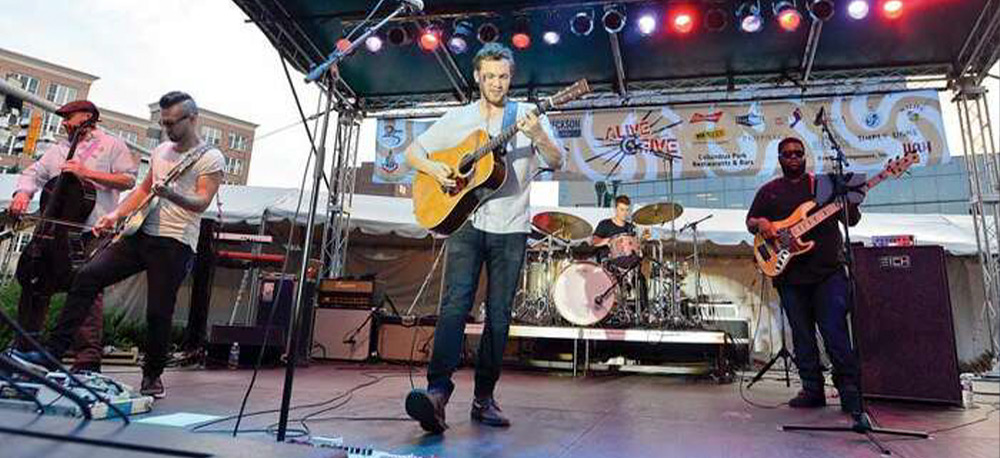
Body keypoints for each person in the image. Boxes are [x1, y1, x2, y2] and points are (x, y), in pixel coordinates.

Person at [18, 91, 225, 399]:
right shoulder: (161, 151)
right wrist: (114, 215)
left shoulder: (210, 157)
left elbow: (202, 201)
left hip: (175, 241)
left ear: (192, 118)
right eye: (163, 122)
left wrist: (173, 195)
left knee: (158, 312)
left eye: (172, 122)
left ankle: (152, 375)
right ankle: (52, 353)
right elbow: (142, 192)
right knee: (87, 276)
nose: (167, 129)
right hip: (138, 233)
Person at [403, 43, 563, 434]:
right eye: (489, 76)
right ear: (477, 77)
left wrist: (540, 135)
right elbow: (412, 152)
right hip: (466, 223)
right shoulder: (458, 118)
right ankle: (436, 394)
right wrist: (436, 170)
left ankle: (484, 398)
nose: (496, 83)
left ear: (512, 77)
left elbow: (557, 160)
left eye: (503, 76)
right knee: (455, 305)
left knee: (499, 316)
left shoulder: (527, 114)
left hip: (511, 226)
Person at [9, 100, 138, 373]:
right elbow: (33, 173)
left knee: (86, 289)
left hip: (92, 230)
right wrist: (22, 193)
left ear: (88, 117)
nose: (65, 121)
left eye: (70, 116)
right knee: (35, 283)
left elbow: (128, 179)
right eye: (63, 117)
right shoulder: (57, 150)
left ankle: (87, 361)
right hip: (52, 233)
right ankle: (25, 350)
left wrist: (86, 172)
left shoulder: (112, 144)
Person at [746, 136, 863, 414]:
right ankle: (812, 389)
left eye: (798, 152)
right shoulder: (769, 191)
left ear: (805, 156)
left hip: (827, 272)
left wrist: (847, 202)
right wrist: (762, 222)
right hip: (790, 276)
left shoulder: (823, 185)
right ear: (780, 159)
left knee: (835, 332)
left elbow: (852, 220)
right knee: (802, 336)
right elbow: (751, 221)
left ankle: (849, 390)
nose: (794, 157)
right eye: (787, 154)